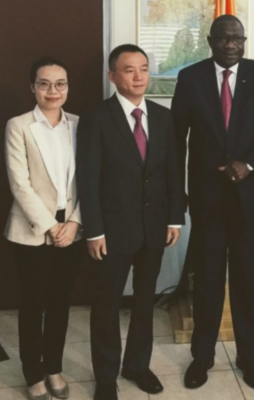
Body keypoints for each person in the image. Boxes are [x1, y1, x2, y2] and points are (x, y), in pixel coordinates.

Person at [171, 14, 254, 391]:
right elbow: (176, 137)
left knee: (246, 278)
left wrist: (249, 163)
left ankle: (248, 357)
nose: (231, 45)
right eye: (223, 38)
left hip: (249, 197)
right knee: (206, 278)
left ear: (244, 41)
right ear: (210, 41)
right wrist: (176, 192)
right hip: (206, 197)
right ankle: (202, 357)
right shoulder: (190, 78)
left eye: (237, 38)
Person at [77, 44, 184, 400]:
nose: (138, 76)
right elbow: (88, 179)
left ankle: (137, 365)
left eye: (143, 68)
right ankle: (106, 376)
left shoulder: (164, 116)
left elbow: (173, 171)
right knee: (106, 305)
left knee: (145, 301)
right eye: (129, 70)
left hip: (154, 226)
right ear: (112, 76)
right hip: (111, 230)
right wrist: (94, 230)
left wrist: (175, 218)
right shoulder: (96, 118)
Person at [4, 57, 82, 400]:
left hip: (72, 227)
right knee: (33, 304)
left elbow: (90, 179)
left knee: (60, 303)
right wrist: (52, 226)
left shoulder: (80, 124)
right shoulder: (18, 126)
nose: (53, 91)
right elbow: (19, 184)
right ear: (32, 87)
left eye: (60, 83)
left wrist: (75, 222)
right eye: (44, 84)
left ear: (68, 87)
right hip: (32, 229)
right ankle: (32, 373)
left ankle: (53, 366)